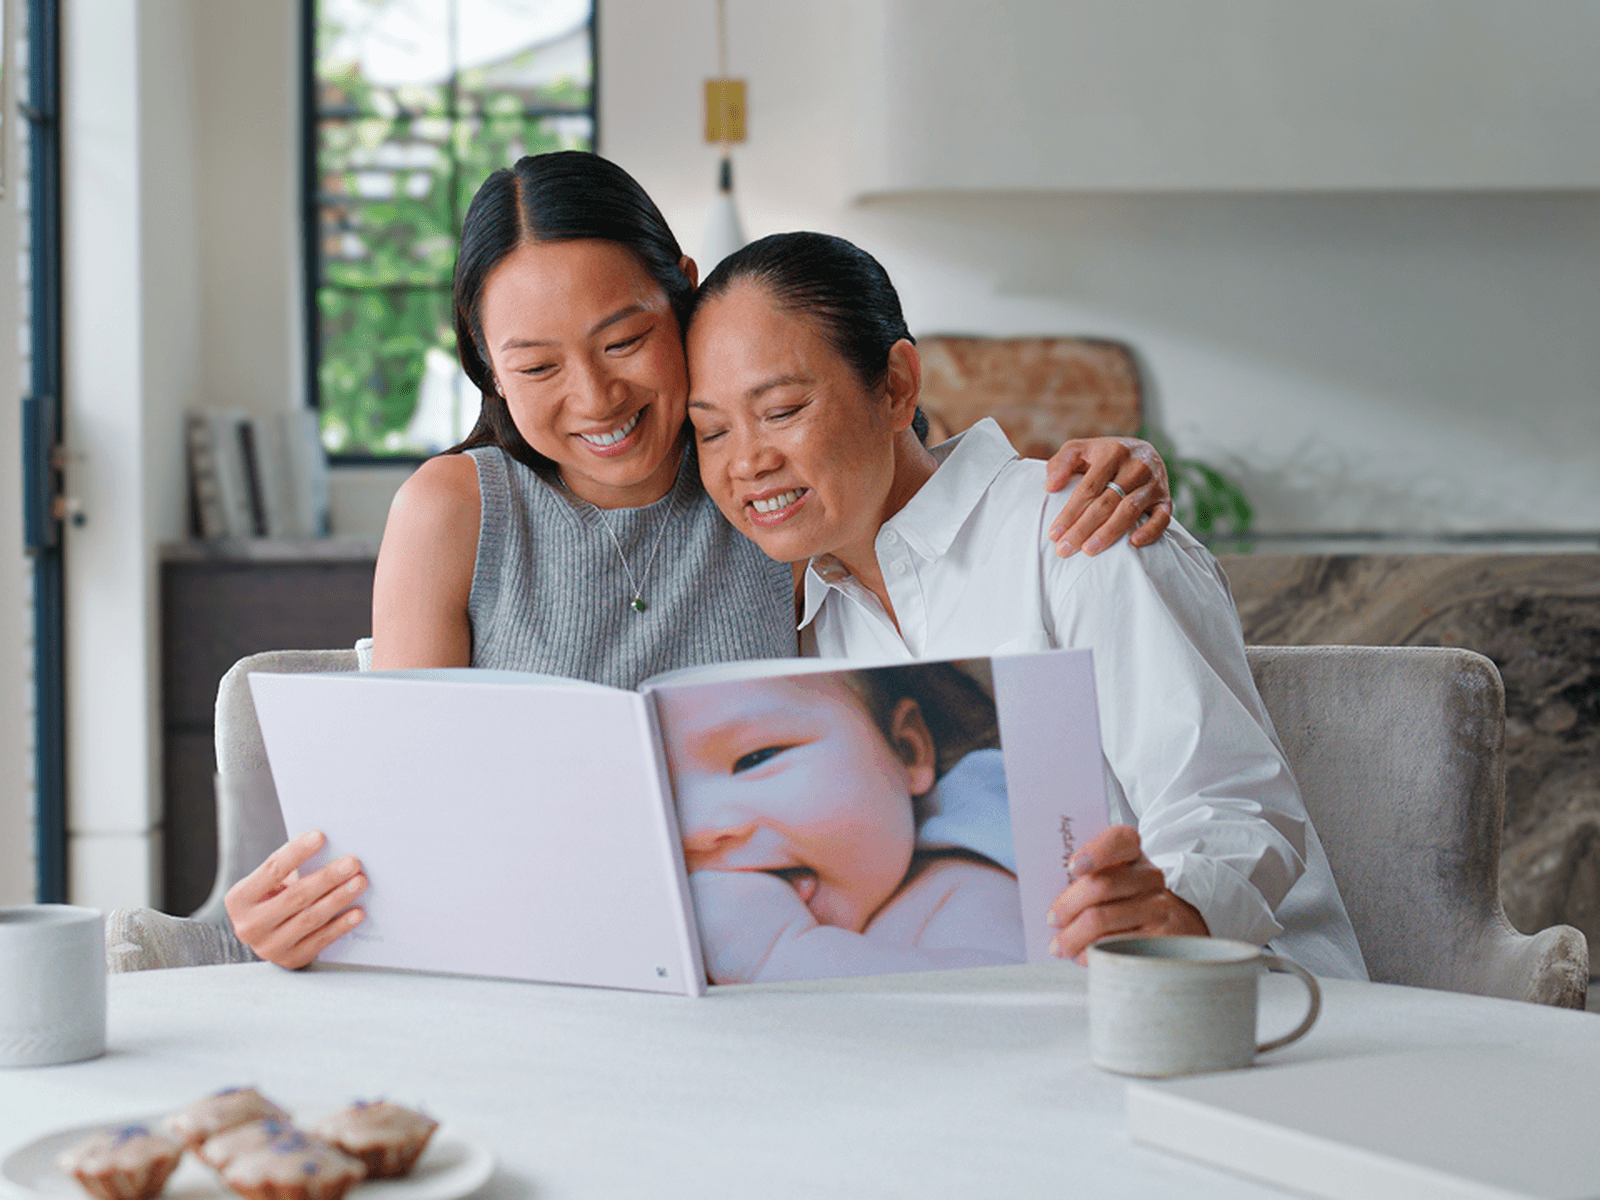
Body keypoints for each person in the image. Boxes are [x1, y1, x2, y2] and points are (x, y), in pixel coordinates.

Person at [227, 152, 1175, 970]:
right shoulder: (453, 511)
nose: (595, 397)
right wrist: (296, 916)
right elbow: (403, 805)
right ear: (485, 364)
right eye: (538, 367)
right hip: (544, 957)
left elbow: (918, 502)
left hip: (775, 966)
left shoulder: (765, 496)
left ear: (682, 290)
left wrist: (1102, 466)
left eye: (626, 339)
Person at [681, 231, 1368, 980]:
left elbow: (1230, 800)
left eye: (780, 410)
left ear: (896, 386)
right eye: (712, 430)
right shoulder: (814, 624)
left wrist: (1175, 909)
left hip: (1231, 1000)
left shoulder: (1081, 528)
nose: (746, 462)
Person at [657, 663, 1021, 984]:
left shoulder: (961, 889)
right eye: (664, 798)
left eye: (756, 758)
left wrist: (780, 958)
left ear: (907, 750)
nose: (695, 833)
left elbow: (1015, 1013)